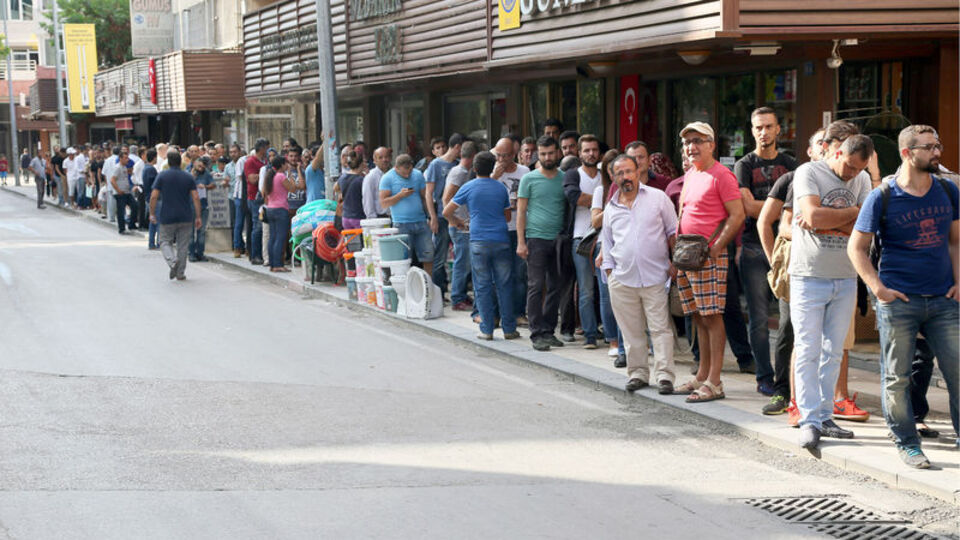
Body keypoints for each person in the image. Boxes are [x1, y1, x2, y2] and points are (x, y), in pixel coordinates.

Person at [848, 124, 958, 468]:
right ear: (907, 153)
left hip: (944, 300)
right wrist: (878, 288)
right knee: (896, 377)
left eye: (938, 145)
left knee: (957, 372)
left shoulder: (948, 190)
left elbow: (956, 240)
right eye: (929, 147)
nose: (937, 152)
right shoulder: (883, 196)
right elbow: (857, 247)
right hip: (900, 301)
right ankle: (907, 442)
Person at [790, 129, 874, 450]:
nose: (852, 174)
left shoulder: (863, 179)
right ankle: (809, 419)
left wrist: (831, 221)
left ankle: (826, 415)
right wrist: (852, 214)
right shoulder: (809, 172)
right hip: (809, 274)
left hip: (845, 275)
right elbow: (811, 215)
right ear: (837, 152)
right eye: (849, 166)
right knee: (809, 348)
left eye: (858, 169)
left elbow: (865, 226)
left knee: (833, 351)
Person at [673, 122, 745, 404]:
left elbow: (737, 215)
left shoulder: (722, 175)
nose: (692, 146)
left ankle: (715, 381)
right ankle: (702, 375)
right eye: (688, 141)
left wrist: (716, 249)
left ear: (712, 145)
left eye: (698, 140)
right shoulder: (692, 173)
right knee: (698, 317)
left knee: (712, 316)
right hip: (687, 255)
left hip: (708, 256)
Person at [756, 129, 825, 417]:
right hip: (796, 270)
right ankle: (783, 390)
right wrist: (775, 263)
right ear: (810, 151)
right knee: (788, 328)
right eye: (821, 143)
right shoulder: (793, 179)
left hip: (832, 271)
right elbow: (769, 223)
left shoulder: (847, 181)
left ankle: (824, 396)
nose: (827, 148)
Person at [601, 154, 678, 394]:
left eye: (629, 171)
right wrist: (610, 272)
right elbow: (607, 241)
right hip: (622, 279)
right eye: (620, 173)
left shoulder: (658, 198)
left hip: (655, 276)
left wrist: (675, 263)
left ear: (638, 172)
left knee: (660, 329)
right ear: (613, 177)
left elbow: (673, 231)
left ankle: (665, 376)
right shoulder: (611, 207)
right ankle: (638, 374)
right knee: (631, 331)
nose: (626, 177)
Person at [735, 107, 798, 397]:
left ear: (778, 129)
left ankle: (787, 378)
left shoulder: (791, 164)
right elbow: (747, 207)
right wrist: (780, 207)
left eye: (769, 126)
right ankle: (764, 376)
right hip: (752, 247)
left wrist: (773, 209)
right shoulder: (744, 165)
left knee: (788, 321)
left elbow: (798, 207)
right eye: (758, 127)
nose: (764, 132)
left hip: (786, 248)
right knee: (759, 318)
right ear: (752, 130)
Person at [443, 151, 518, 340]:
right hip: (501, 239)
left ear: (474, 168)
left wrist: (458, 221)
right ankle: (509, 328)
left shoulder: (468, 187)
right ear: (493, 167)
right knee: (504, 284)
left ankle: (486, 329)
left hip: (478, 241)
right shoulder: (500, 188)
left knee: (482, 286)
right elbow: (508, 216)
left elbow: (446, 211)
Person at [517, 136, 567, 351]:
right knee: (536, 286)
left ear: (557, 153)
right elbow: (520, 211)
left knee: (556, 286)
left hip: (558, 241)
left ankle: (548, 330)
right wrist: (521, 242)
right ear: (538, 154)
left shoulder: (565, 178)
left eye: (550, 153)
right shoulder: (529, 179)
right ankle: (536, 333)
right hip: (535, 239)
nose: (547, 157)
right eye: (543, 154)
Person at [563, 134, 603, 348]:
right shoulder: (572, 174)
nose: (591, 154)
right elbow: (574, 198)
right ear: (579, 153)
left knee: (607, 290)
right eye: (586, 150)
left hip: (606, 239)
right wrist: (601, 200)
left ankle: (609, 332)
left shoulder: (605, 174)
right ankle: (589, 335)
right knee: (586, 290)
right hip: (581, 239)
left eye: (594, 150)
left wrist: (593, 201)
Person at [492, 137, 531, 326]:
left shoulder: (524, 172)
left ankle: (518, 312)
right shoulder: (492, 171)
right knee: (500, 274)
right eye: (498, 155)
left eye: (505, 155)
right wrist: (494, 177)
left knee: (519, 273)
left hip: (518, 228)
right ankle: (498, 313)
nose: (501, 159)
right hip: (499, 230)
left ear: (513, 155)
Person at [592, 149, 626, 367]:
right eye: (612, 171)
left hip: (625, 248)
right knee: (607, 296)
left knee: (626, 299)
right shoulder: (602, 190)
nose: (617, 175)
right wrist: (614, 206)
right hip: (604, 246)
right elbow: (596, 222)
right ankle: (613, 341)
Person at [379, 154, 435, 276]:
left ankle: (428, 285)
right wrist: (400, 195)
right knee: (404, 259)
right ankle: (407, 286)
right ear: (396, 168)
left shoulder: (417, 175)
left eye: (410, 171)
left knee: (428, 255)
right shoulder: (387, 178)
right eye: (404, 173)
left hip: (420, 221)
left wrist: (431, 216)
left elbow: (424, 197)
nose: (408, 175)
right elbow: (383, 203)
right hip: (401, 223)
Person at [150, 151, 201, 281]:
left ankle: (172, 261)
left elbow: (154, 196)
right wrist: (198, 216)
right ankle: (180, 273)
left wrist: (151, 213)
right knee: (182, 245)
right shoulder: (188, 177)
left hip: (167, 215)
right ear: (180, 162)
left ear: (168, 162)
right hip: (185, 215)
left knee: (164, 241)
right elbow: (195, 196)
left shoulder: (162, 176)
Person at [425, 133, 463, 299]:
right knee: (439, 256)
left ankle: (454, 290)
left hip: (458, 215)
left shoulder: (458, 165)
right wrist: (432, 216)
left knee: (458, 256)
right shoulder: (435, 165)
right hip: (441, 215)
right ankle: (438, 292)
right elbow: (429, 193)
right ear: (456, 147)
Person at [442, 141, 477, 311]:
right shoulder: (459, 173)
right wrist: (454, 221)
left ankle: (461, 294)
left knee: (466, 263)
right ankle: (457, 297)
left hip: (464, 224)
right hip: (460, 226)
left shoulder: (463, 172)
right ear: (473, 156)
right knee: (462, 263)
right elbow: (446, 199)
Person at [263, 156, 295, 272]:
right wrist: (290, 175)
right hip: (281, 209)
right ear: (281, 165)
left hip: (270, 208)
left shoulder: (270, 176)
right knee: (280, 238)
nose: (287, 166)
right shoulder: (281, 176)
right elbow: (292, 188)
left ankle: (272, 263)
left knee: (273, 237)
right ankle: (278, 264)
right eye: (286, 163)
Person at [245, 139, 269, 265]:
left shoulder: (265, 161)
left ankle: (261, 253)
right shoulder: (250, 161)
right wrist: (264, 174)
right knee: (257, 226)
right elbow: (252, 179)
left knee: (263, 227)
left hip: (266, 198)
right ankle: (255, 255)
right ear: (262, 148)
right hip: (255, 198)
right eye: (267, 148)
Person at [189, 156, 215, 262]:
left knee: (202, 231)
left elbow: (213, 184)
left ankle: (200, 253)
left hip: (203, 206)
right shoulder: (189, 173)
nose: (201, 167)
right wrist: (193, 177)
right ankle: (191, 253)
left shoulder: (206, 174)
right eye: (199, 165)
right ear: (195, 163)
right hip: (191, 206)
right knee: (190, 232)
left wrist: (205, 186)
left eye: (203, 166)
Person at [336, 149, 366, 229]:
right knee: (361, 241)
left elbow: (336, 188)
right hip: (358, 217)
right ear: (362, 164)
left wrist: (343, 194)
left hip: (345, 217)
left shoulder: (342, 177)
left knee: (350, 241)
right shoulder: (361, 180)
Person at [110, 148, 136, 234]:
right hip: (120, 193)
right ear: (120, 158)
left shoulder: (124, 167)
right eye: (125, 158)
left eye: (127, 158)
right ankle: (121, 228)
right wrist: (118, 190)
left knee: (135, 205)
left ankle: (131, 224)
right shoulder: (117, 167)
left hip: (127, 192)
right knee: (121, 211)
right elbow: (112, 180)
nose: (127, 160)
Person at [362, 146, 392, 218]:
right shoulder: (371, 177)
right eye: (380, 157)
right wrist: (373, 219)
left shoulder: (393, 175)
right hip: (379, 217)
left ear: (390, 158)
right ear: (374, 160)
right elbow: (368, 200)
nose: (384, 160)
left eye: (386, 157)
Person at [142, 149, 160, 250]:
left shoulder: (146, 168)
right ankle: (157, 243)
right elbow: (155, 185)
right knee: (156, 220)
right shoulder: (151, 169)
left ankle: (152, 243)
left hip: (149, 196)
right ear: (154, 158)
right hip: (153, 197)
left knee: (153, 220)